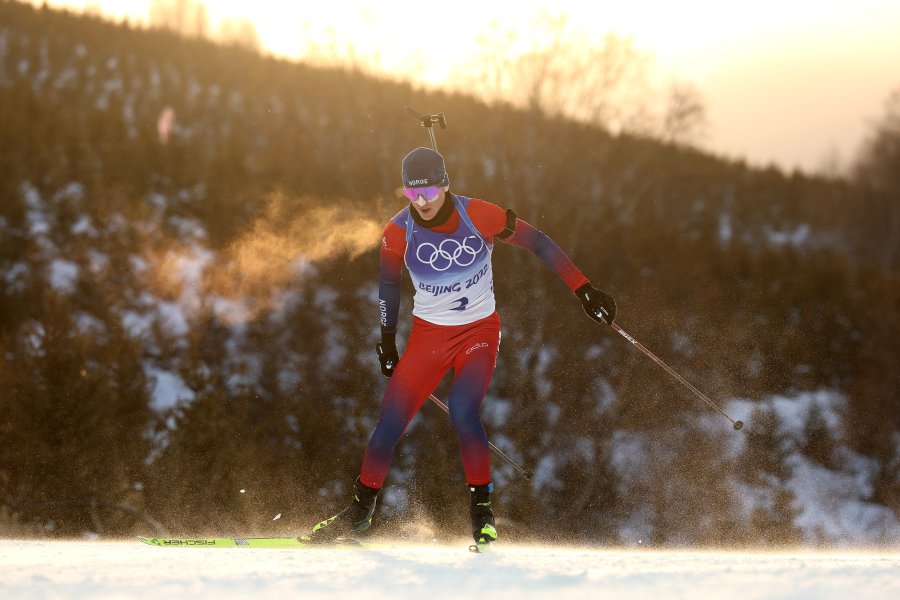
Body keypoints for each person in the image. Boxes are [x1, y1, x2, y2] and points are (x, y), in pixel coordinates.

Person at [309, 147, 616, 546]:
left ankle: (483, 517)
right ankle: (358, 513)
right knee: (388, 423)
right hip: (428, 337)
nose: (421, 203)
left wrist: (583, 289)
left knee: (461, 408)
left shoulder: (478, 215)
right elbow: (388, 287)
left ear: (444, 185)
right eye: (412, 194)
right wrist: (386, 340)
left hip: (479, 333)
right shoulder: (397, 233)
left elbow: (538, 242)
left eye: (429, 193)